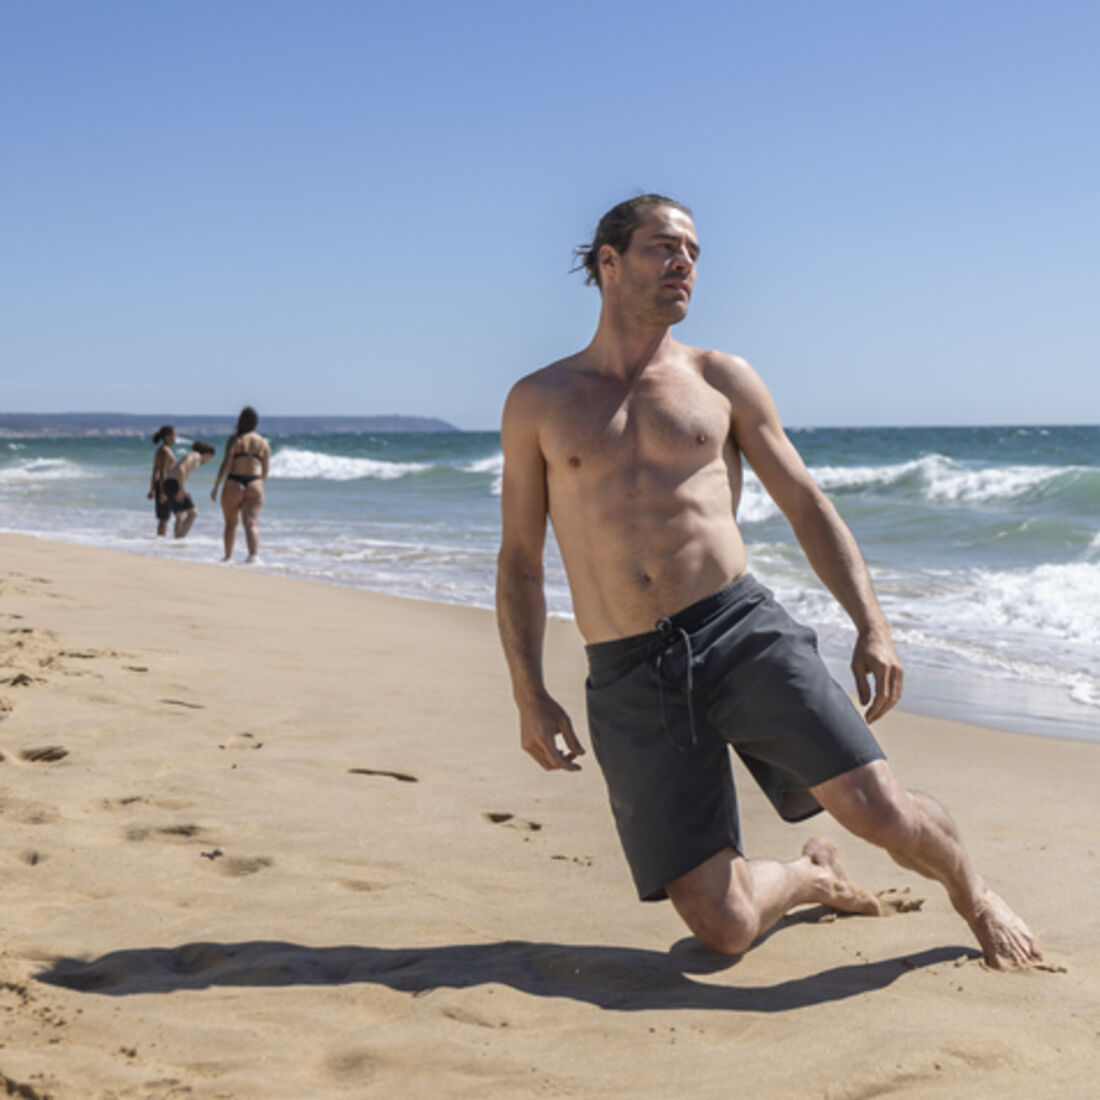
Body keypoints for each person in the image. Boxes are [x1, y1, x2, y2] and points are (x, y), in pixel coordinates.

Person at [495, 193, 1042, 970]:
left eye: (692, 249)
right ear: (608, 263)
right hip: (626, 669)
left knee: (876, 809)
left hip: (738, 631)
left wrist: (871, 622)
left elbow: (806, 504)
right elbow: (519, 558)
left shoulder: (720, 379)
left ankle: (972, 889)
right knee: (720, 929)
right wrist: (529, 691)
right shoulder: (539, 401)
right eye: (662, 246)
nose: (684, 262)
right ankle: (810, 876)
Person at [210, 406, 270, 563]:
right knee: (251, 523)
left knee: (230, 523)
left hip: (235, 482)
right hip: (254, 483)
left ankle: (228, 557)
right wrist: (259, 484)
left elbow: (227, 463)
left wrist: (216, 486)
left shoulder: (235, 439)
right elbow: (265, 470)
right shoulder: (263, 442)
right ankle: (254, 556)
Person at [163, 441, 217, 538]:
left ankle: (176, 541)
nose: (208, 460)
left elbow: (175, 468)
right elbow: (181, 468)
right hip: (173, 484)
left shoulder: (193, 455)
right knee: (193, 513)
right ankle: (179, 539)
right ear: (208, 454)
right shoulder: (196, 456)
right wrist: (181, 489)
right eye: (210, 458)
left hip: (169, 483)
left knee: (180, 516)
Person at [147, 425, 177, 537]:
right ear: (167, 436)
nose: (175, 437)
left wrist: (152, 489)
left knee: (164, 518)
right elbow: (163, 471)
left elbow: (155, 471)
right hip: (165, 486)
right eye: (174, 435)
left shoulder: (160, 450)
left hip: (161, 485)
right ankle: (161, 541)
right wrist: (163, 492)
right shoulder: (165, 451)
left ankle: (160, 541)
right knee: (164, 518)